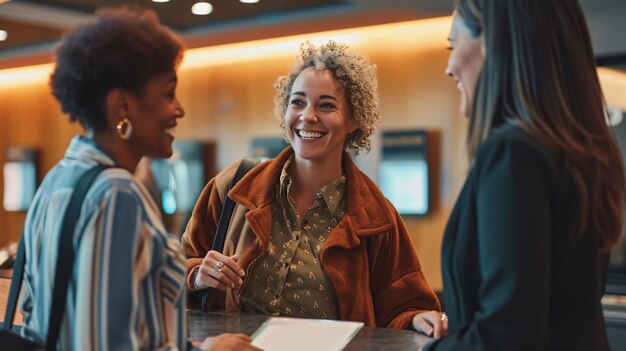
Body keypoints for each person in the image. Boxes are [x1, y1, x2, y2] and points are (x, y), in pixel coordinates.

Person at [19, 7, 259, 351]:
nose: (179, 109)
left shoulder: (58, 179)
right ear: (122, 105)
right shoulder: (117, 193)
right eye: (167, 94)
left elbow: (35, 315)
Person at [182, 41, 445, 336]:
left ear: (354, 119)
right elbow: (173, 267)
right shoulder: (235, 184)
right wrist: (196, 275)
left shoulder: (376, 218)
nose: (308, 116)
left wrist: (416, 319)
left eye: (326, 105)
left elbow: (403, 305)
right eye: (297, 102)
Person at [424, 0, 626, 350]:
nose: (449, 67)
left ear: (492, 43)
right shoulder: (580, 155)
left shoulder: (512, 154)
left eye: (453, 46)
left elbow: (506, 335)